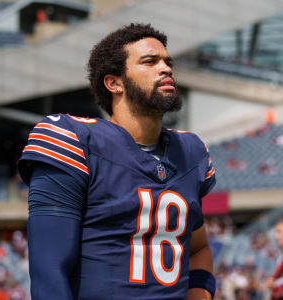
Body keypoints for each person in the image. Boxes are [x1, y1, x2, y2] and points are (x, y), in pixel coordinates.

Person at [18, 23, 216, 299]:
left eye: (168, 62)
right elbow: (49, 267)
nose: (166, 68)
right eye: (150, 61)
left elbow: (199, 248)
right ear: (114, 83)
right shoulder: (74, 139)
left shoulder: (191, 151)